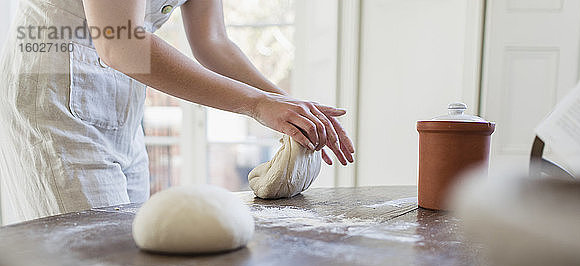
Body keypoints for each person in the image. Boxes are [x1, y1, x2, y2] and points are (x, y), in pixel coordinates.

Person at [0, 0, 355, 224]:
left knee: (126, 256)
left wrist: (289, 107)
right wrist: (258, 104)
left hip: (121, 109)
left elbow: (213, 41)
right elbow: (119, 42)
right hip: (53, 99)